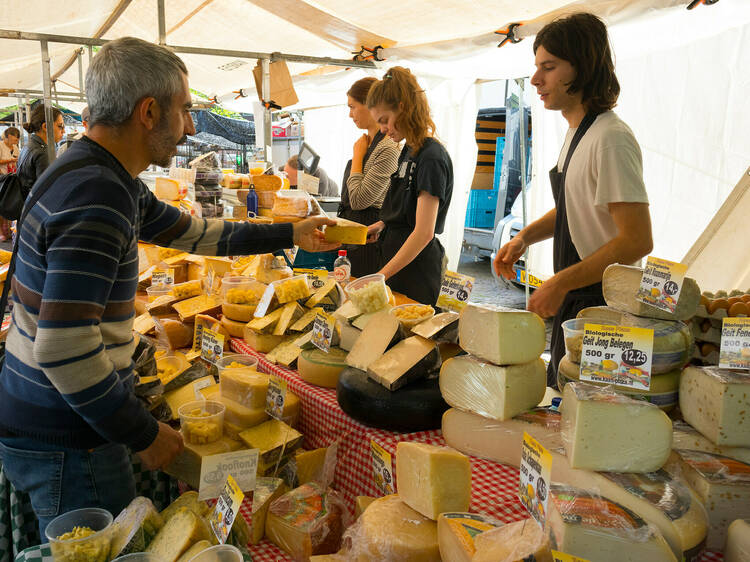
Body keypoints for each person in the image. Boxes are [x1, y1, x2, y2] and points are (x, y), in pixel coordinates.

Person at [0, 36, 338, 538]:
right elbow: (64, 347)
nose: (192, 127)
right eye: (184, 110)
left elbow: (193, 233)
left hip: (57, 420)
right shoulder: (96, 196)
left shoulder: (98, 173)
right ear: (149, 111)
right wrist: (142, 434)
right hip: (70, 437)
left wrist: (289, 231)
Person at [493, 13, 653, 387]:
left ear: (582, 69)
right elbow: (575, 205)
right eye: (537, 67)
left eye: (548, 67)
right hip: (580, 302)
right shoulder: (579, 132)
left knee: (591, 425)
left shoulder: (610, 138)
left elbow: (637, 240)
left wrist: (560, 282)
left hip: (607, 311)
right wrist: (523, 238)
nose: (535, 80)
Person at [365, 67, 453, 305]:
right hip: (398, 264)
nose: (383, 129)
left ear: (403, 107)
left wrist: (380, 276)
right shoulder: (409, 151)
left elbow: (424, 232)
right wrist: (384, 224)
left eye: (385, 120)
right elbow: (410, 207)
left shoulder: (432, 157)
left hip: (417, 271)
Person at [338, 77, 400, 277]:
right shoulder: (367, 142)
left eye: (353, 107)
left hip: (369, 237)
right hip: (355, 235)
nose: (350, 114)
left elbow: (358, 199)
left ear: (370, 105)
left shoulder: (388, 148)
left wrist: (357, 156)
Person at [17, 105, 65, 202]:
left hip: (24, 204)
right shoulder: (42, 152)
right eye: (60, 126)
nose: (63, 131)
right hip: (35, 207)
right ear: (45, 127)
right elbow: (48, 190)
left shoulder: (29, 145)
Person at [0, 127, 20, 240]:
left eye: (18, 137)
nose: (17, 139)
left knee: (9, 204)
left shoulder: (15, 148)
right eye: (15, 136)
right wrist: (11, 161)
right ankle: (1, 232)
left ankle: (9, 230)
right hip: (1, 178)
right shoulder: (1, 146)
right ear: (8, 136)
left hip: (11, 179)